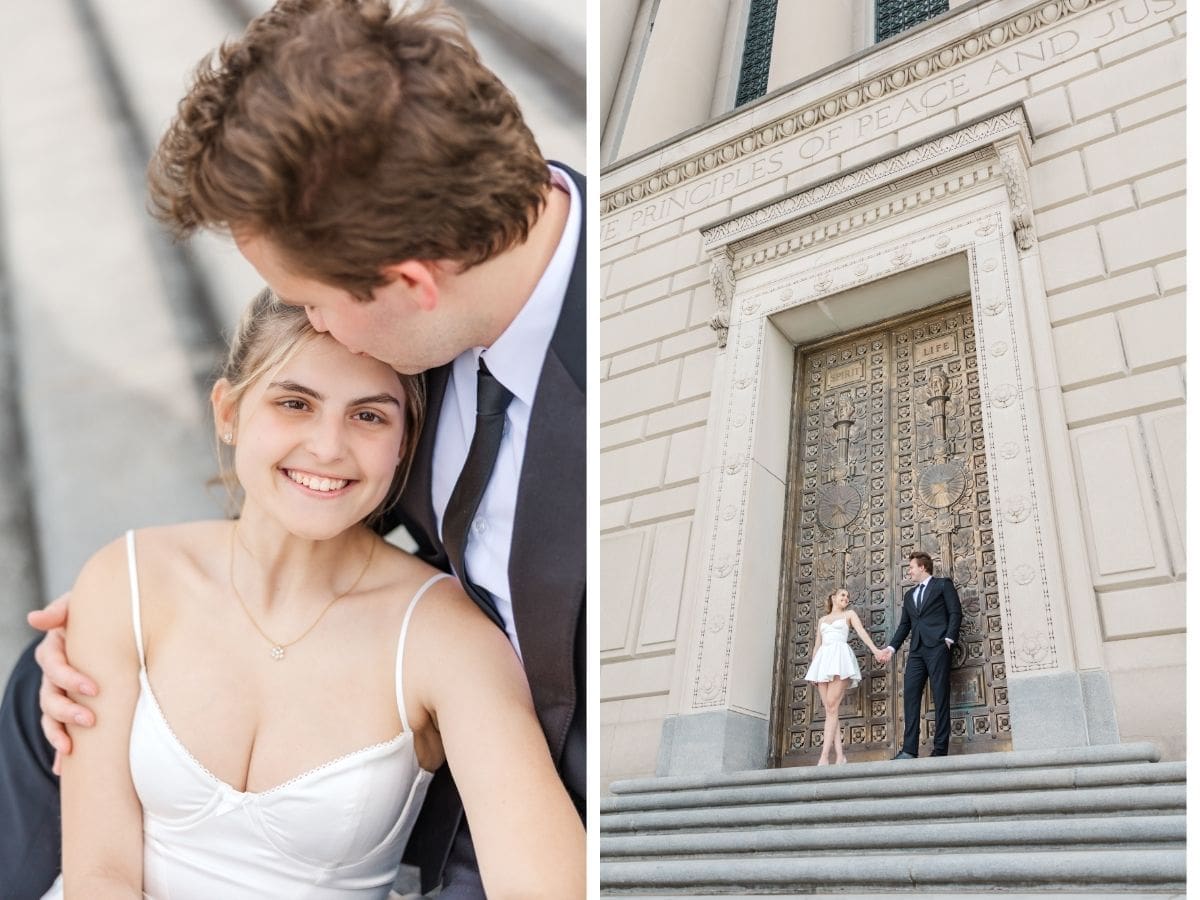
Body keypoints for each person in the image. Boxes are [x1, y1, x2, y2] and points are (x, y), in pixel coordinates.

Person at [0, 2, 584, 897]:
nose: (309, 325)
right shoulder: (410, 325)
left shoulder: (538, 358)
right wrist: (125, 630)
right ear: (228, 409)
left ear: (409, 286)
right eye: (297, 395)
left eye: (309, 301)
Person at [44, 291, 584, 898]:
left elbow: (547, 885)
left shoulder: (447, 638)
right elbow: (100, 875)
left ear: (403, 443)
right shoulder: (129, 578)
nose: (328, 446)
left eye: (369, 415)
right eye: (295, 403)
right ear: (228, 411)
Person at [879, 551, 962, 759]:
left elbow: (955, 612)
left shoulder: (943, 585)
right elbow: (904, 625)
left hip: (938, 647)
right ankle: (909, 750)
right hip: (916, 651)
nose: (909, 571)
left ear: (922, 567)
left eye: (911, 567)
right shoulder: (909, 596)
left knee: (940, 695)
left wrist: (949, 639)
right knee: (910, 696)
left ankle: (940, 749)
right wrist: (891, 648)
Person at [803, 588, 884, 766]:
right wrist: (814, 671)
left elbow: (862, 633)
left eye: (848, 596)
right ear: (833, 597)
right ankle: (840, 757)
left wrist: (876, 650)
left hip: (840, 660)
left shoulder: (850, 614)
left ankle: (824, 756)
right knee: (831, 711)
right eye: (843, 595)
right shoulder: (822, 620)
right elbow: (817, 646)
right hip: (822, 663)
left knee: (831, 706)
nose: (846, 598)